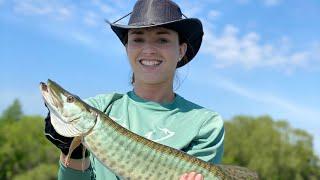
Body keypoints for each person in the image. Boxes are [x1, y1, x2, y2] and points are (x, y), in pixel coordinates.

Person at [44, 0, 225, 179]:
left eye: (162, 39)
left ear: (181, 50)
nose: (149, 49)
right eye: (138, 39)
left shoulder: (205, 124)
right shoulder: (100, 107)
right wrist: (74, 154)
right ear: (127, 48)